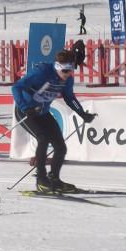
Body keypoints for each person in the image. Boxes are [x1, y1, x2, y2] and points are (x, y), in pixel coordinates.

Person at [12, 49, 96, 192]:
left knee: (61, 147)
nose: (68, 74)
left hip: (43, 113)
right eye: (65, 70)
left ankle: (54, 178)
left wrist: (82, 114)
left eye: (71, 70)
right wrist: (25, 107)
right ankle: (41, 179)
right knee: (43, 139)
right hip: (27, 113)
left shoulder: (67, 79)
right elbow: (17, 87)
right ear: (57, 67)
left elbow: (69, 98)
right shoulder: (42, 72)